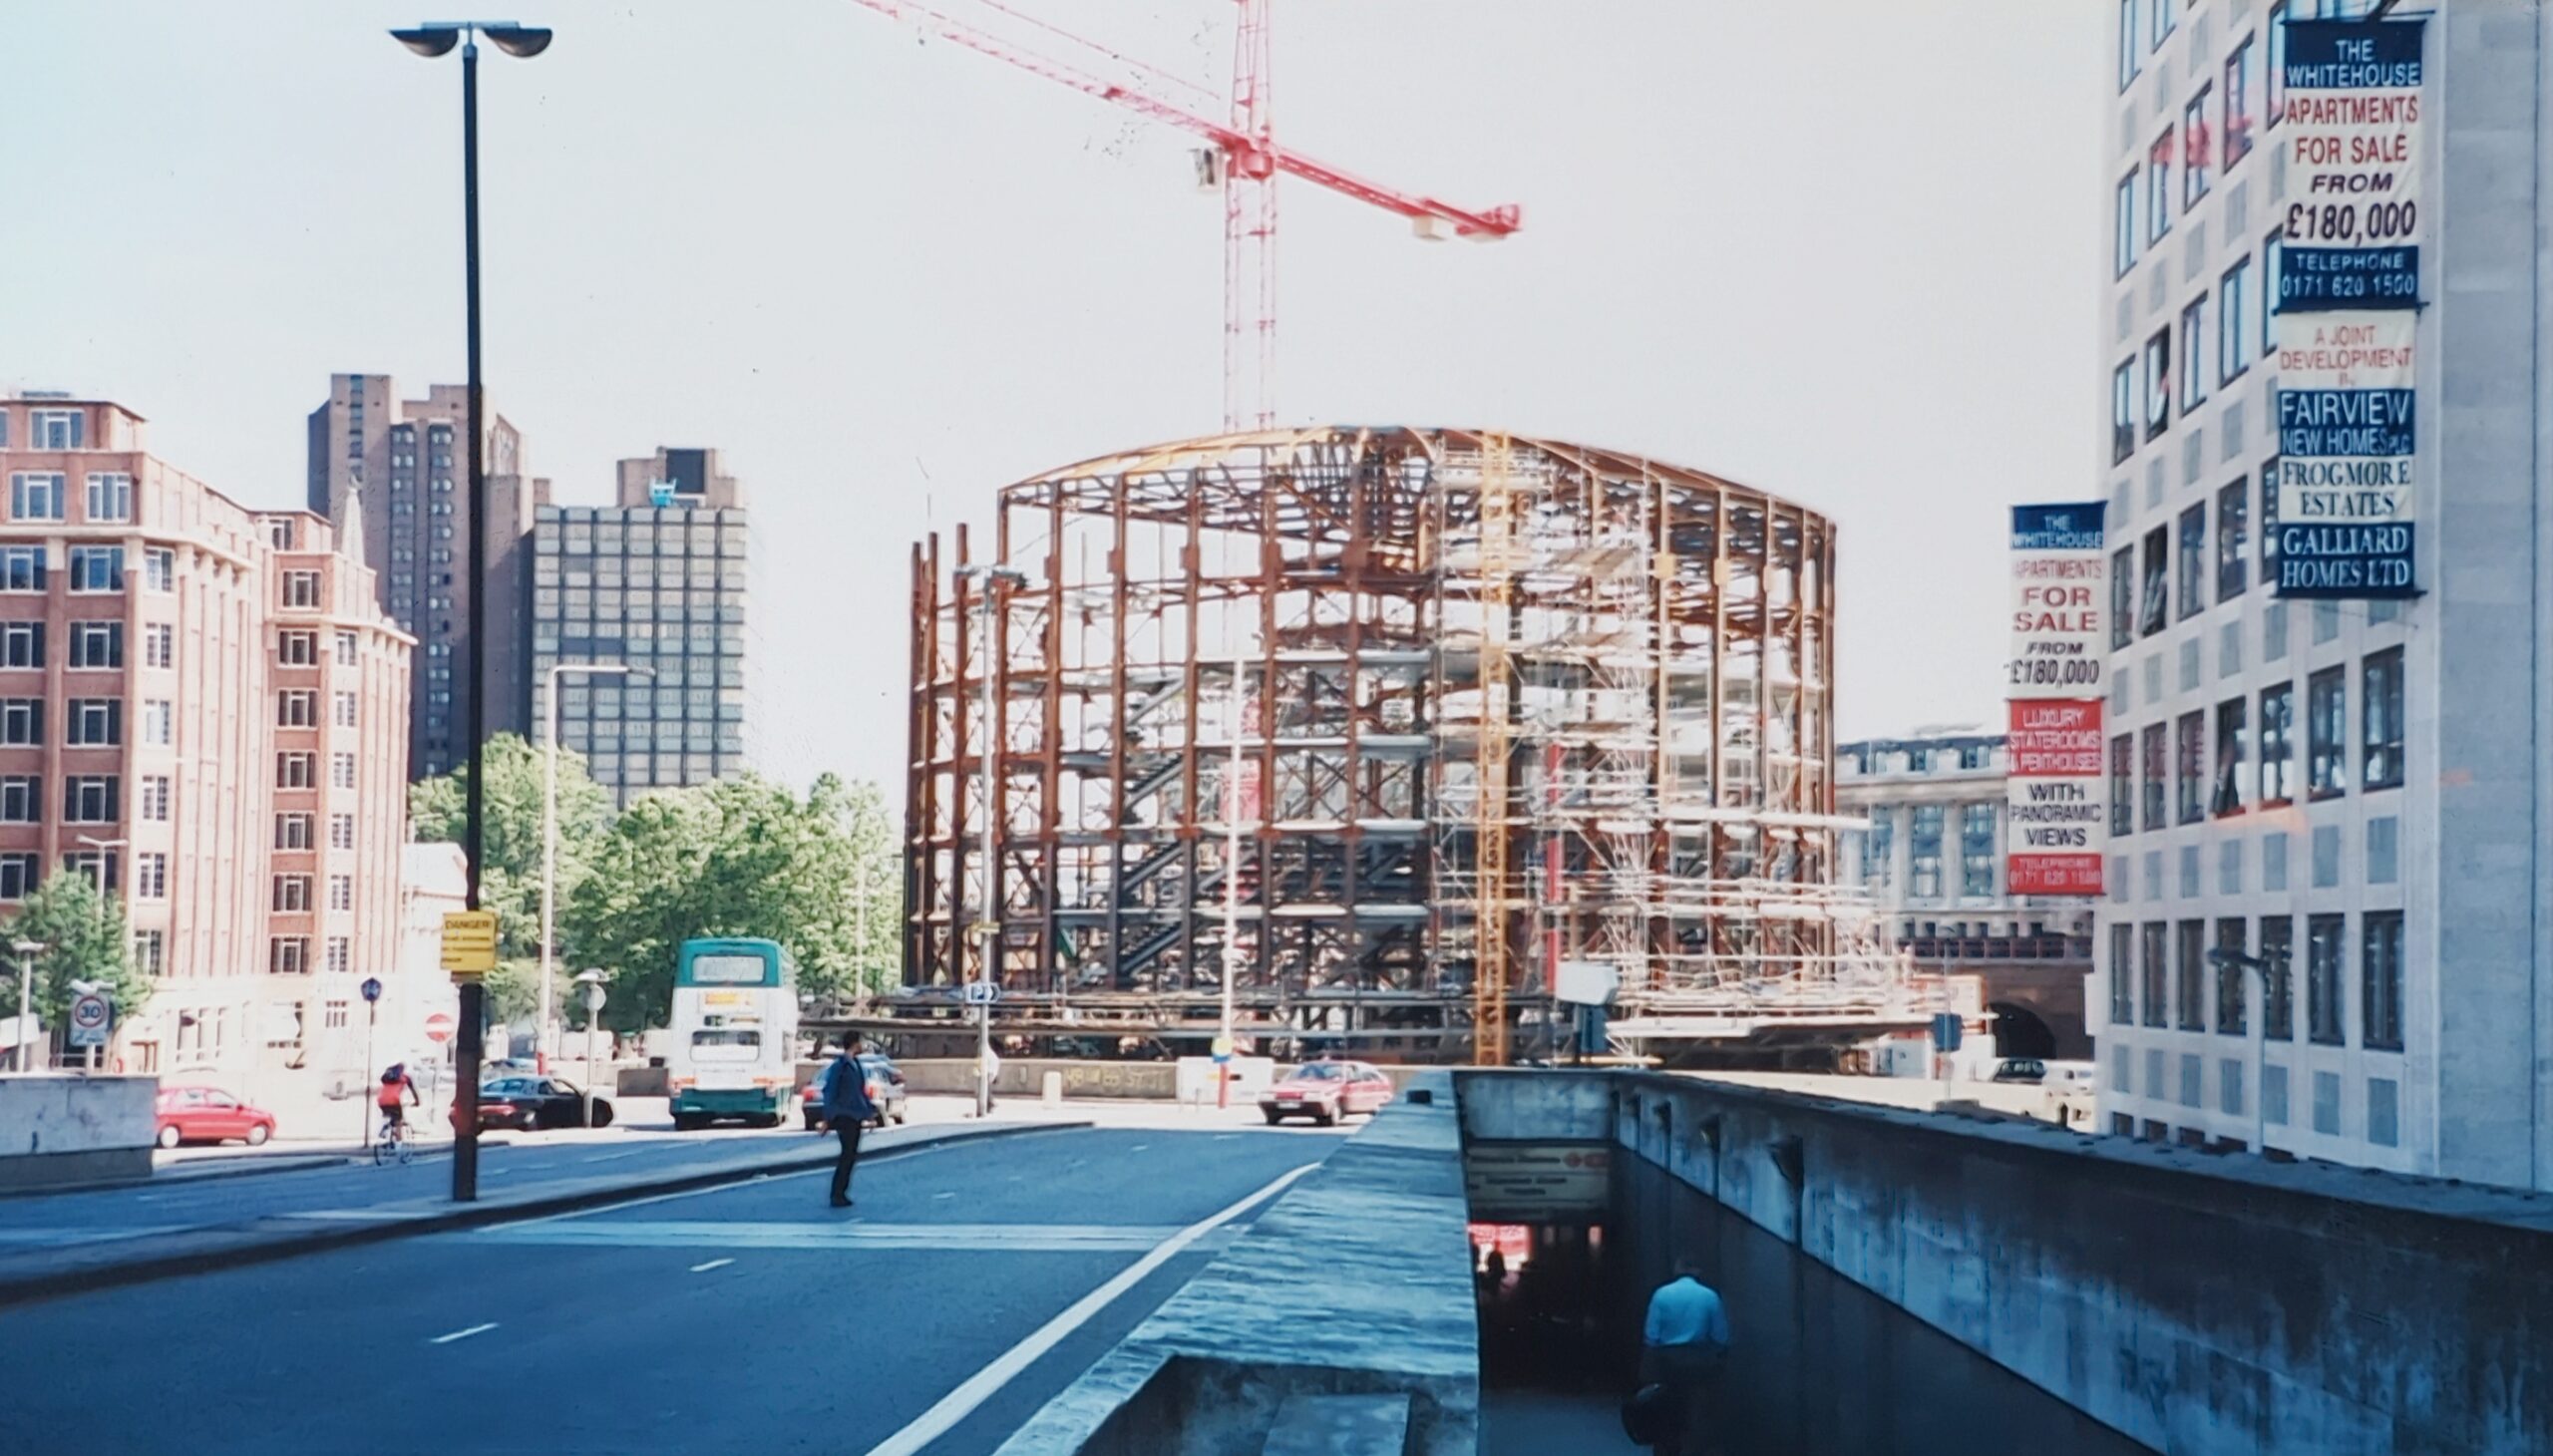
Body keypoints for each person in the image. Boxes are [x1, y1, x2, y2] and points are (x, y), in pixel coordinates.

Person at [1640, 1257, 1729, 1456]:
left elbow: (1651, 1336)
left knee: (1666, 1410)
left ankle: (1668, 1447)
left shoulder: (1661, 1295)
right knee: (1696, 1410)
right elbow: (1721, 1338)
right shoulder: (1710, 1297)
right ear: (1698, 1271)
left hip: (1667, 1362)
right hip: (1699, 1363)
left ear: (1677, 1268)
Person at [818, 1037, 880, 1208]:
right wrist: (827, 1118)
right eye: (860, 1042)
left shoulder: (856, 1065)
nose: (862, 1046)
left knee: (850, 1155)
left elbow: (860, 1093)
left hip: (854, 1116)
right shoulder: (840, 1066)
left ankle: (841, 1192)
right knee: (847, 1155)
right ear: (853, 1044)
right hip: (843, 1115)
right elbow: (830, 1092)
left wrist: (869, 1114)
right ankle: (837, 1193)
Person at [376, 1062, 419, 1140]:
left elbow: (387, 1089)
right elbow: (413, 1091)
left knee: (390, 1116)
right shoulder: (405, 1077)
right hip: (394, 1100)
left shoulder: (386, 1077)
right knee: (398, 1120)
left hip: (381, 1100)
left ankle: (384, 1130)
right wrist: (417, 1101)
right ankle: (399, 1140)